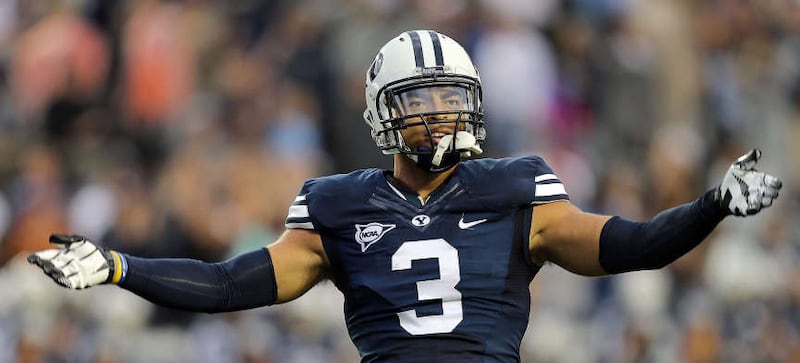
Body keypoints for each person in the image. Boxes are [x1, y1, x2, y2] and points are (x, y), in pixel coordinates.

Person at [28, 30, 782, 362]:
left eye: (452, 97)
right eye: (422, 100)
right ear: (385, 111)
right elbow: (231, 284)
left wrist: (712, 202)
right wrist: (119, 267)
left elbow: (631, 245)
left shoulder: (518, 188)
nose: (442, 114)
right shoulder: (337, 204)